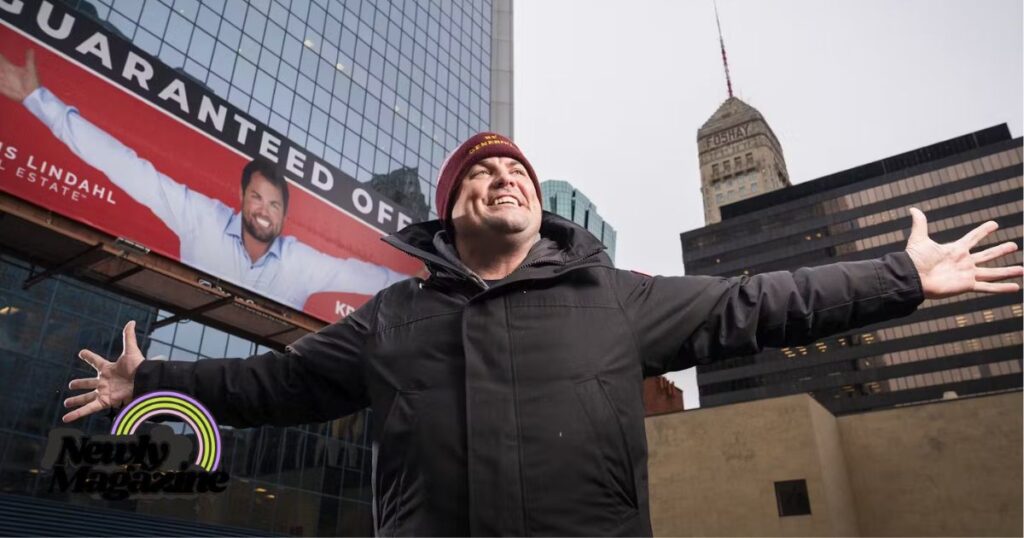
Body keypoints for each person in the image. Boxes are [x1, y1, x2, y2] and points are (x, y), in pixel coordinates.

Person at [62, 128, 1022, 535]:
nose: (504, 178)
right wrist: (151, 383)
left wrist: (903, 276)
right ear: (450, 216)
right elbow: (276, 390)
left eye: (516, 169)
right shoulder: (394, 319)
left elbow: (756, 302)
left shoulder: (612, 296)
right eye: (481, 176)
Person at [0, 50, 409, 310]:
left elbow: (372, 276)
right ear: (241, 197)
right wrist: (40, 102)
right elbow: (125, 166)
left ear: (285, 214)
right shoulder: (201, 217)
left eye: (275, 204)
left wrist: (447, 282)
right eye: (257, 198)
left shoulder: (303, 261)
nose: (264, 212)